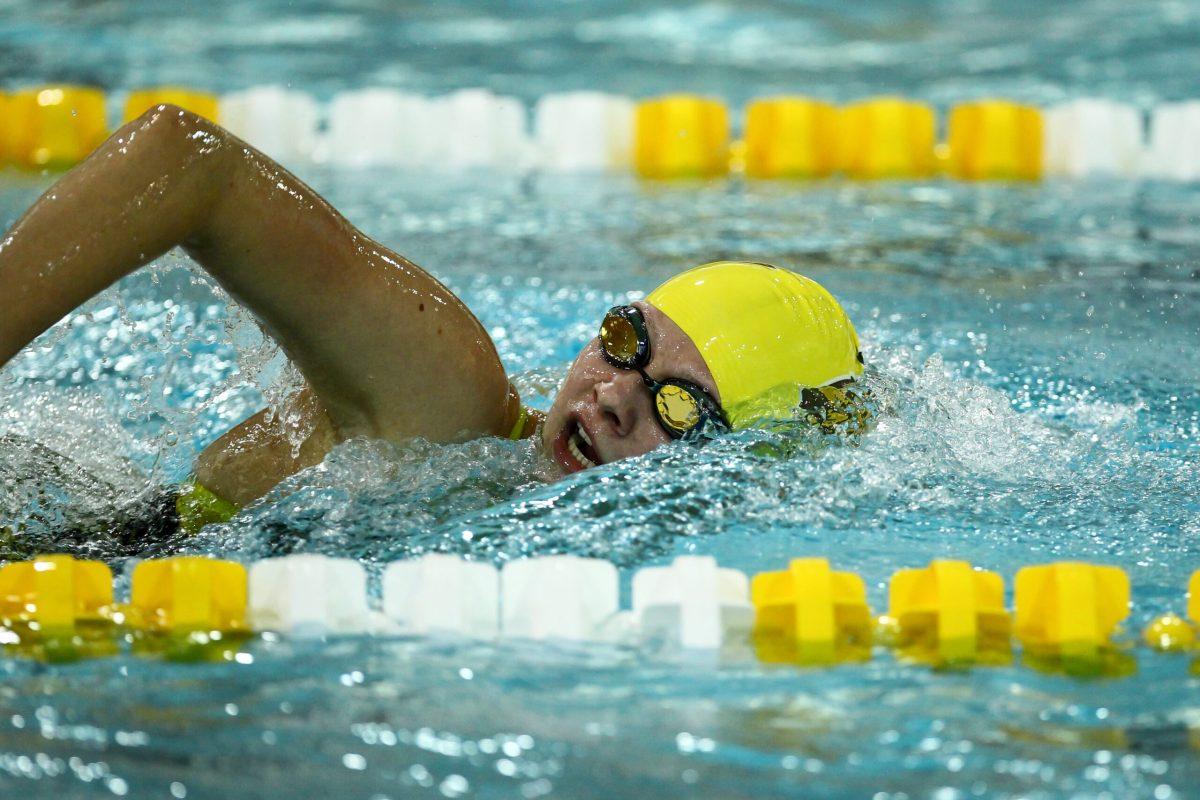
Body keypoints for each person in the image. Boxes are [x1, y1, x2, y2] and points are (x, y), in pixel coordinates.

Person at [0, 104, 865, 537]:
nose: (610, 400)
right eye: (624, 342)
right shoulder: (451, 400)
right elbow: (186, 160)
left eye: (677, 408)